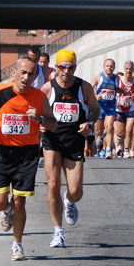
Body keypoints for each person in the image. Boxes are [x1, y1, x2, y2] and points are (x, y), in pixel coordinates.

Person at [0, 57, 57, 260]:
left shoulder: (39, 97)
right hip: (3, 152)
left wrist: (39, 119)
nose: (26, 77)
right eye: (23, 72)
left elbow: (53, 123)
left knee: (19, 201)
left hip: (27, 154)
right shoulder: (0, 91)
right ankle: (5, 210)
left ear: (35, 77)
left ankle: (17, 244)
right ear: (14, 72)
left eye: (31, 74)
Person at [40, 50, 101, 248]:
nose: (66, 71)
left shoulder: (83, 87)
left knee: (76, 191)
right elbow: (39, 113)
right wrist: (40, 123)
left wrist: (89, 124)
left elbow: (95, 109)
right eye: (62, 67)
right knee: (53, 184)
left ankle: (69, 200)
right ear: (56, 67)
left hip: (74, 141)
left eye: (70, 67)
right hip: (52, 140)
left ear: (75, 68)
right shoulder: (48, 88)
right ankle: (58, 231)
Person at [91, 59, 119, 159]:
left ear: (114, 67)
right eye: (107, 66)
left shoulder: (116, 78)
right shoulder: (98, 77)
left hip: (110, 107)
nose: (109, 68)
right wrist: (95, 96)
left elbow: (116, 89)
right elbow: (89, 88)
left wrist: (124, 91)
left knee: (109, 127)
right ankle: (98, 149)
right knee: (98, 131)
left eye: (111, 66)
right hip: (99, 107)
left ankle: (107, 150)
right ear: (104, 67)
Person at [114, 61, 134, 158]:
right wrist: (115, 102)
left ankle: (127, 150)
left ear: (133, 69)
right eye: (127, 69)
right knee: (120, 133)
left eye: (130, 69)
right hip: (120, 108)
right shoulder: (119, 80)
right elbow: (113, 91)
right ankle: (118, 144)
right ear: (124, 69)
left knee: (129, 129)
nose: (128, 71)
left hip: (131, 108)